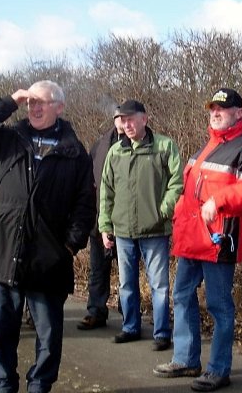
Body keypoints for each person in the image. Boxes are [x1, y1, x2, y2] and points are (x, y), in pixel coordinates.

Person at [0, 80, 95, 393]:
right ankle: (4, 385)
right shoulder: (10, 139)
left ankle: (39, 386)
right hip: (4, 249)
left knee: (49, 335)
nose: (34, 108)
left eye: (42, 102)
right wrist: (9, 101)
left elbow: (84, 205)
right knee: (2, 331)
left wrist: (69, 245)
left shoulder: (75, 153)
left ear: (59, 107)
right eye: (30, 102)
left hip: (48, 257)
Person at [154, 88, 242, 392]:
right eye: (212, 108)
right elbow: (187, 194)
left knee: (219, 306)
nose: (215, 113)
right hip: (191, 241)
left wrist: (219, 200)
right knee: (181, 296)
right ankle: (186, 359)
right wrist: (176, 219)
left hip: (220, 241)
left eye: (222, 108)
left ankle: (219, 369)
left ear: (238, 113)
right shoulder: (205, 148)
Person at [97, 99, 183, 351]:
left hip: (155, 230)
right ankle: (130, 327)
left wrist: (163, 211)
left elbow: (177, 184)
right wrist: (105, 225)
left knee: (159, 285)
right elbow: (106, 191)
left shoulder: (164, 146)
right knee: (126, 283)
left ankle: (161, 332)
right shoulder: (115, 151)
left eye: (131, 119)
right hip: (123, 231)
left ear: (144, 119)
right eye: (123, 120)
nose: (127, 124)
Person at [77, 108, 125, 330]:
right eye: (118, 117)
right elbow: (88, 177)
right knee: (98, 269)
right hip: (100, 219)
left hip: (127, 220)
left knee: (128, 271)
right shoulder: (100, 144)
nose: (122, 122)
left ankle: (130, 315)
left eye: (126, 117)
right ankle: (96, 311)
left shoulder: (144, 144)